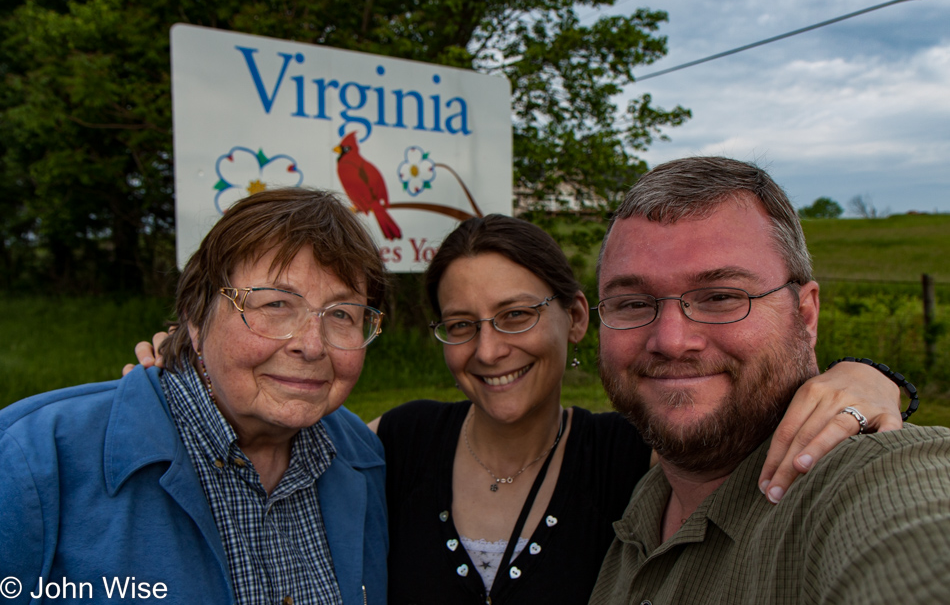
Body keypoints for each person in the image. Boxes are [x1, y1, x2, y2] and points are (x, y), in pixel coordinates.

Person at [130, 215, 903, 605]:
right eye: (461, 326)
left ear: (575, 317)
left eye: (515, 316)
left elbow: (749, 417)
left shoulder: (636, 457)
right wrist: (198, 356)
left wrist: (873, 378)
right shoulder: (399, 440)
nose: (489, 350)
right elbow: (282, 433)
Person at [0, 188, 389, 605]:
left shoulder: (360, 455)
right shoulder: (35, 459)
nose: (312, 346)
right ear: (196, 318)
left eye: (343, 314)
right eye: (275, 304)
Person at [589, 156, 950, 604]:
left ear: (805, 314)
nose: (671, 341)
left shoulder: (863, 479)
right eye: (632, 303)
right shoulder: (641, 496)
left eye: (721, 297)